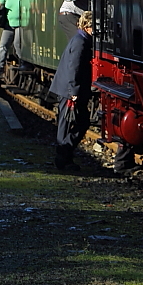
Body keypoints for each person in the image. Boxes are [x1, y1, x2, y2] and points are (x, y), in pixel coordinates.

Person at [50, 10, 93, 171]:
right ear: (88, 26)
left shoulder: (80, 39)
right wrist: (73, 90)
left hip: (70, 89)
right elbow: (73, 67)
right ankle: (63, 157)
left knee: (71, 123)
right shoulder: (80, 42)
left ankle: (64, 157)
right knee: (73, 124)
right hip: (70, 90)